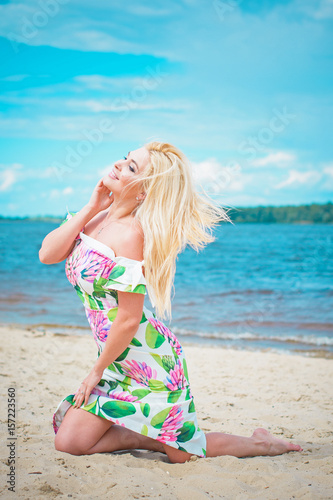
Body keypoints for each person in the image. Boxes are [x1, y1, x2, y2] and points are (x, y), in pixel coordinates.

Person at [39, 141, 303, 463]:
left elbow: (128, 319)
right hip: (118, 359)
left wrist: (95, 372)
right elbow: (47, 254)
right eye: (125, 159)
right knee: (69, 441)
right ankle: (149, 436)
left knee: (184, 457)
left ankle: (263, 444)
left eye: (132, 168)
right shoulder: (96, 219)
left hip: (149, 361)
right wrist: (91, 207)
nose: (120, 166)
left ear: (144, 192)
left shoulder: (130, 235)